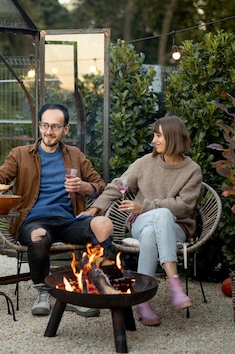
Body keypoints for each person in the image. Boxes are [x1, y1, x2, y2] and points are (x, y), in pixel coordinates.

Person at [0, 103, 114, 317]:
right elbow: (1, 176)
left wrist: (84, 187)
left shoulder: (75, 155)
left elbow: (100, 185)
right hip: (32, 220)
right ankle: (42, 291)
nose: (48, 131)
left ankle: (84, 287)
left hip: (68, 221)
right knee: (39, 236)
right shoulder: (20, 154)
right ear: (39, 126)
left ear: (66, 129)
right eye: (45, 125)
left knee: (104, 224)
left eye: (55, 126)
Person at [81, 115, 202, 326]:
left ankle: (143, 302)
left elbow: (184, 206)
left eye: (158, 136)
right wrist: (95, 208)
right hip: (140, 222)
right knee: (157, 218)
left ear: (173, 138)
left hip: (177, 227)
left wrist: (145, 206)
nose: (154, 140)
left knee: (156, 227)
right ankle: (175, 287)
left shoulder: (192, 170)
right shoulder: (146, 162)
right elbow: (116, 186)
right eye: (154, 135)